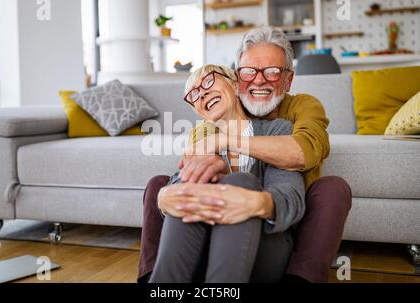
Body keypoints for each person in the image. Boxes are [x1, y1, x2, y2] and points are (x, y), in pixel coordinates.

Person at [139, 26, 352, 283]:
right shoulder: (204, 133)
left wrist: (229, 147)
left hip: (278, 227)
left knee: (329, 188)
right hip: (210, 237)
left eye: (272, 72)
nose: (259, 80)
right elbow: (184, 178)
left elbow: (300, 153)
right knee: (161, 186)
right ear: (238, 79)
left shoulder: (292, 116)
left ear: (288, 80)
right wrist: (166, 196)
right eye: (249, 71)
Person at [150, 64, 305, 283]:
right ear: (197, 110)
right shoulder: (202, 142)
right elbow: (179, 183)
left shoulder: (276, 130)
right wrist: (167, 195)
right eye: (194, 93)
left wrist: (253, 201)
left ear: (234, 83)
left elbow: (291, 197)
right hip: (203, 248)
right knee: (188, 188)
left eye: (209, 81)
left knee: (239, 181)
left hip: (265, 248)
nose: (202, 92)